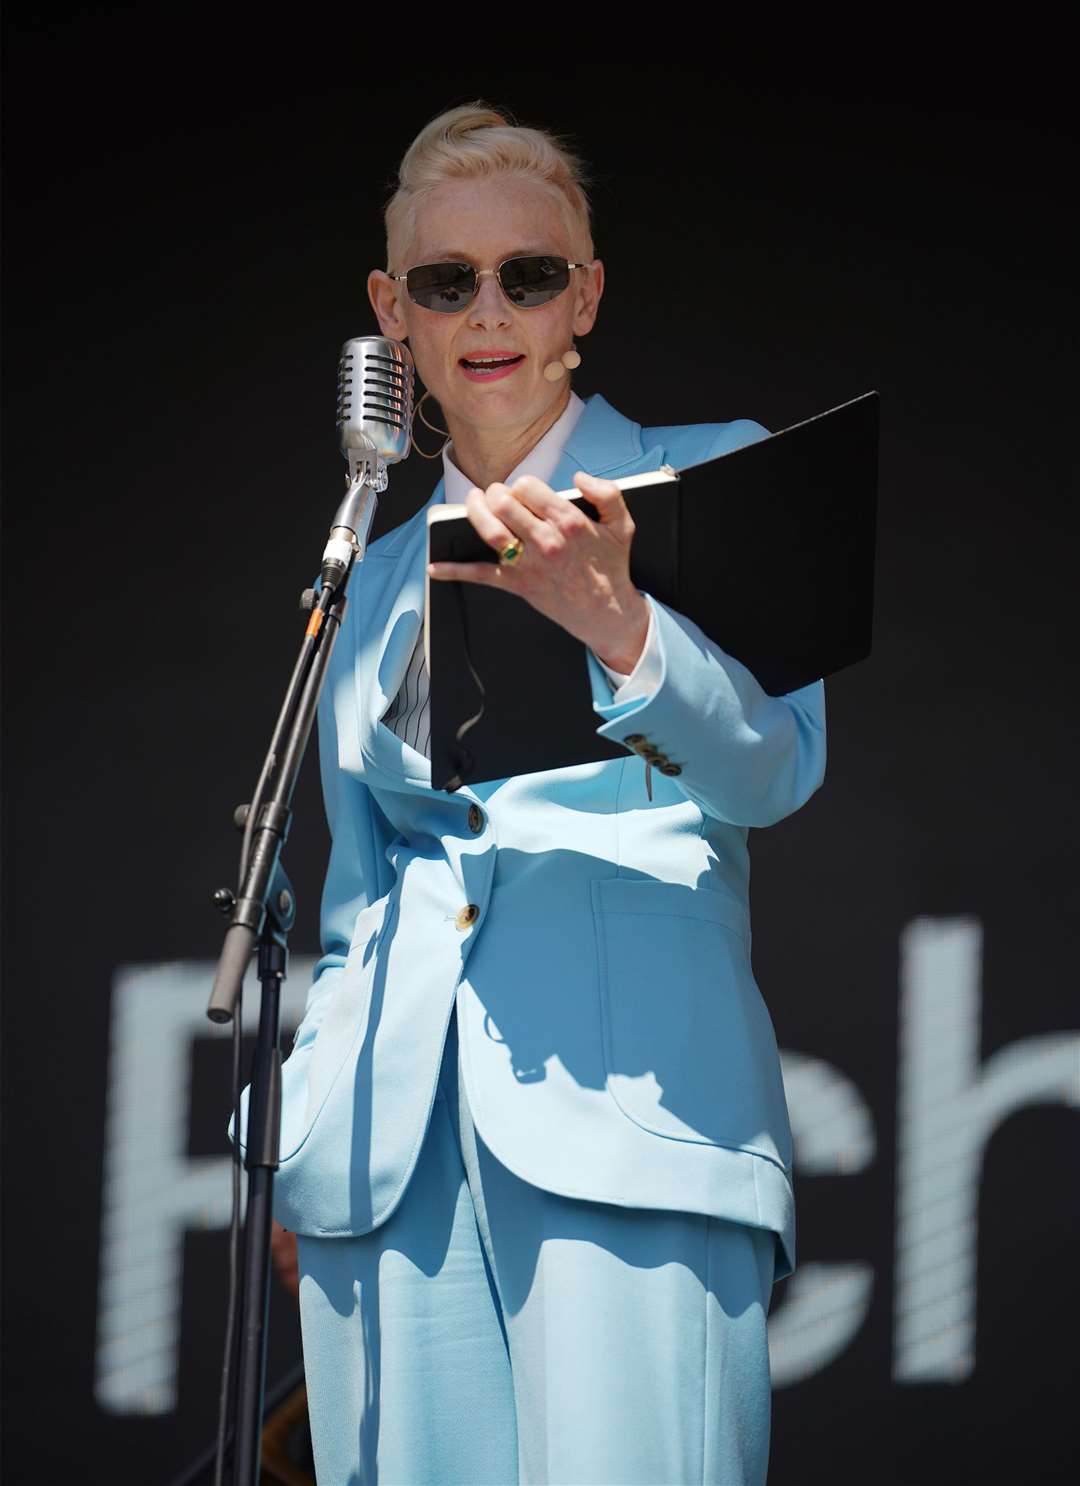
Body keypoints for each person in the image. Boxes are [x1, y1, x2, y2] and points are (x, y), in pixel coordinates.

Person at [267, 103, 826, 1485]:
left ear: (585, 293)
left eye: (529, 272)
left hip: (630, 1123)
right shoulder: (371, 571)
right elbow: (360, 896)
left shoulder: (708, 477)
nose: (490, 308)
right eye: (448, 282)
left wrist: (621, 626)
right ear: (395, 316)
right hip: (386, 1166)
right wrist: (305, 1134)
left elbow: (773, 767)